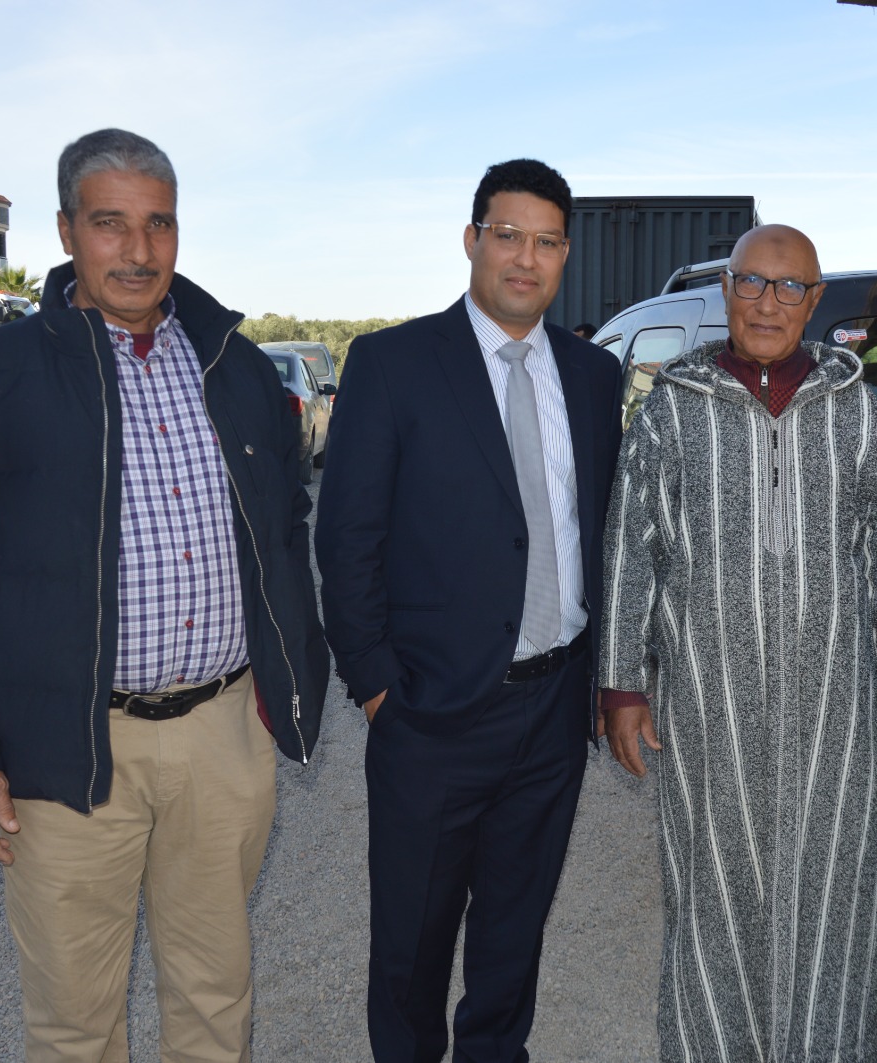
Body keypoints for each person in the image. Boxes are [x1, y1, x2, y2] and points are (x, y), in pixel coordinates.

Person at [0, 128, 330, 1062]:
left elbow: (286, 532)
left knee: (215, 995)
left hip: (223, 735)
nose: (138, 249)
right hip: (65, 745)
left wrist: (290, 678)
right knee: (74, 1022)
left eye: (158, 223)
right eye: (109, 223)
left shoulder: (236, 368)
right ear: (65, 231)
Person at [314, 158, 623, 1063]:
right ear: (472, 240)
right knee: (411, 944)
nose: (526, 258)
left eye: (547, 241)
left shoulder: (593, 375)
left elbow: (600, 525)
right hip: (432, 712)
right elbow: (348, 541)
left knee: (512, 937)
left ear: (565, 255)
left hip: (554, 708)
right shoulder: (393, 364)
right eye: (508, 235)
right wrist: (379, 688)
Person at [600, 224, 877, 1063]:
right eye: (752, 282)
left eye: (789, 287)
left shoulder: (857, 410)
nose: (768, 303)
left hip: (838, 709)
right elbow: (631, 546)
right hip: (711, 708)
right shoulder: (674, 407)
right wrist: (623, 685)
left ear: (814, 301)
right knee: (713, 893)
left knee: (837, 896)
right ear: (727, 289)